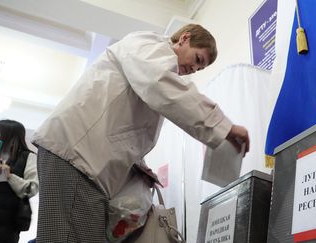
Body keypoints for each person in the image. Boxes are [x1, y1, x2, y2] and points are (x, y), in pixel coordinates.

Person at [32, 24, 250, 242]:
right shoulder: (150, 46)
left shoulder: (154, 64)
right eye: (198, 59)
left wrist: (139, 166)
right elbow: (160, 85)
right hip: (76, 156)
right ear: (184, 38)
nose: (194, 69)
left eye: (199, 68)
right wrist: (223, 126)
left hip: (85, 161)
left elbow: (125, 127)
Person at [0, 119, 39, 243]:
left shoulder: (28, 157)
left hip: (6, 226)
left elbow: (32, 188)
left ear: (5, 134)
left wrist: (10, 176)